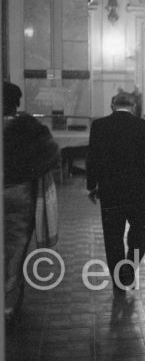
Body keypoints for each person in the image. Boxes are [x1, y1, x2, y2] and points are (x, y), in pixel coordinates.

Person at [86, 92, 145, 297]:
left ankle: (118, 280)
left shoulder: (99, 126)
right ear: (133, 106)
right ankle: (129, 267)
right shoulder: (143, 126)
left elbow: (92, 159)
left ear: (112, 105)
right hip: (139, 193)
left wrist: (92, 185)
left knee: (113, 236)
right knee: (141, 232)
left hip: (110, 192)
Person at [4, 82, 60, 323]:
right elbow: (52, 153)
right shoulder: (27, 125)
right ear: (16, 102)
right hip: (20, 191)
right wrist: (33, 170)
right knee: (17, 244)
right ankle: (8, 302)